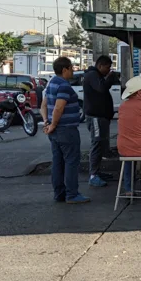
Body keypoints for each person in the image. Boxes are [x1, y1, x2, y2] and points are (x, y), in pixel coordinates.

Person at [42, 57, 89, 204]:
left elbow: (44, 105)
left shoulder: (51, 83)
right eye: (71, 68)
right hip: (66, 129)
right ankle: (72, 194)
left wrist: (47, 122)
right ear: (64, 70)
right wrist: (53, 124)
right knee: (71, 162)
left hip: (55, 131)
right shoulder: (63, 86)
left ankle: (59, 193)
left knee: (58, 162)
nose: (73, 71)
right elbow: (59, 107)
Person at [83, 55, 119, 188]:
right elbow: (101, 88)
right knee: (97, 144)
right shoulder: (92, 75)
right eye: (107, 67)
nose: (108, 70)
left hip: (101, 117)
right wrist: (110, 78)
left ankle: (97, 172)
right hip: (96, 117)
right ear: (100, 66)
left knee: (101, 144)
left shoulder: (96, 75)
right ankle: (93, 175)